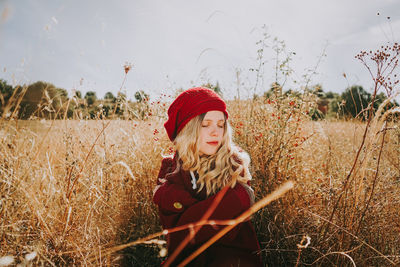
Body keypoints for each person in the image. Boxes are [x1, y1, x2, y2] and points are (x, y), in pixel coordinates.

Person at [153, 87, 262, 266]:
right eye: (205, 124)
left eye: (221, 125)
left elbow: (228, 233)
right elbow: (178, 235)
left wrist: (190, 208)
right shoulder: (170, 170)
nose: (215, 132)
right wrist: (233, 200)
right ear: (187, 129)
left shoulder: (233, 166)